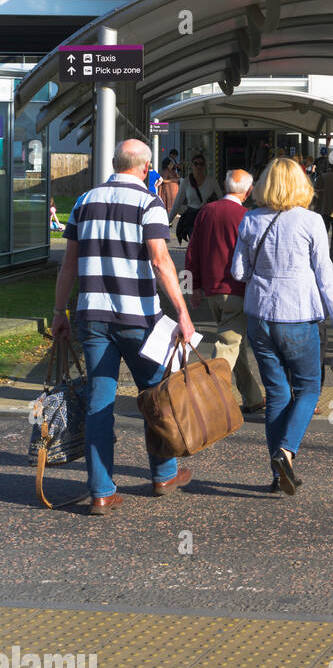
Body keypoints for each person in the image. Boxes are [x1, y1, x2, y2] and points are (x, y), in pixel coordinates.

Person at [52, 139, 195, 514]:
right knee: (155, 394)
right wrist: (181, 312)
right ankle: (164, 474)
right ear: (146, 168)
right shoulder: (150, 204)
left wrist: (58, 312)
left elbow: (68, 264)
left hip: (92, 317)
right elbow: (162, 262)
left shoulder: (83, 202)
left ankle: (101, 490)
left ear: (116, 163)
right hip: (139, 319)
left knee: (100, 402)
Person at [231, 157, 333, 495]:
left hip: (260, 316)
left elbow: (238, 271)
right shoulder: (311, 221)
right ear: (302, 186)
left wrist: (264, 276)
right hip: (298, 314)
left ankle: (276, 471)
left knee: (278, 392)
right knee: (309, 388)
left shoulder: (251, 220)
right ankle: (286, 452)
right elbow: (325, 276)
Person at [185, 169, 264, 414]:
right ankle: (209, 396)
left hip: (212, 290)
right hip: (238, 290)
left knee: (233, 342)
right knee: (228, 344)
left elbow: (192, 252)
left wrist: (192, 287)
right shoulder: (246, 216)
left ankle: (252, 397)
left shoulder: (206, 212)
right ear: (248, 191)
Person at [169, 155, 220, 243]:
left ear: (205, 166)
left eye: (201, 164)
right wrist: (168, 221)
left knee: (207, 244)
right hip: (192, 218)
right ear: (192, 166)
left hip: (207, 218)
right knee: (195, 243)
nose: (198, 167)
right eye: (196, 164)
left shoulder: (211, 181)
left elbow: (221, 199)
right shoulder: (186, 182)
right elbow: (177, 203)